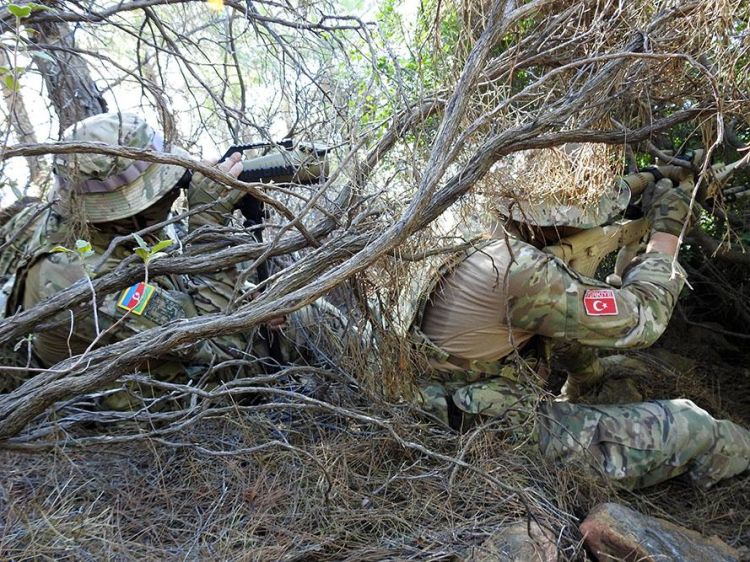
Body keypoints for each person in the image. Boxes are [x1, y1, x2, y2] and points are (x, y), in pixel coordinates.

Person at [405, 159, 750, 490]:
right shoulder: (518, 267)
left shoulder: (480, 236)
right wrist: (667, 234)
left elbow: (555, 326)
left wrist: (588, 377)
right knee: (693, 426)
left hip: (451, 406)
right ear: (551, 218)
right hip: (483, 437)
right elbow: (645, 317)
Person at [0, 112, 338, 407]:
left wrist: (249, 300)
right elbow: (214, 344)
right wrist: (209, 226)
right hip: (116, 398)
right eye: (157, 187)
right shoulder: (78, 277)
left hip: (137, 340)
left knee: (289, 309)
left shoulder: (76, 220)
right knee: (307, 323)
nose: (171, 189)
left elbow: (167, 283)